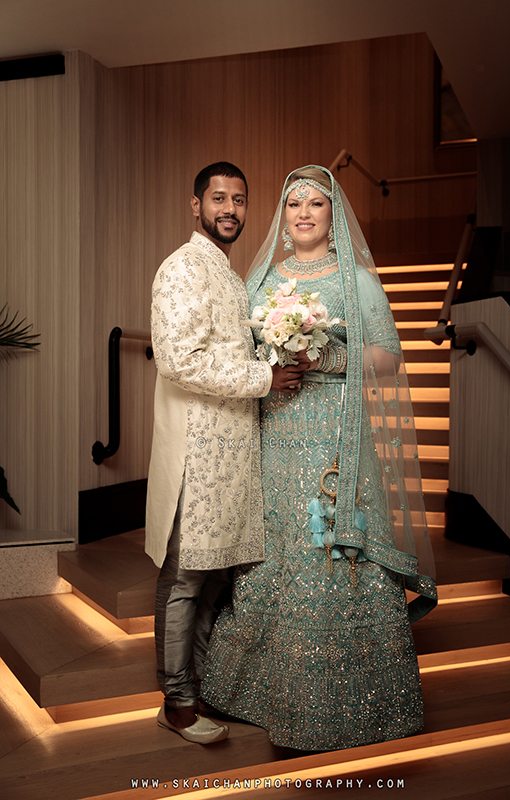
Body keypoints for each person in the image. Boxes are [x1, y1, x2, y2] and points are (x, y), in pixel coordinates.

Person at [201, 165, 438, 752]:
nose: (304, 212)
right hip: (276, 432)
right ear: (282, 217)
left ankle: (343, 702)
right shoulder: (260, 279)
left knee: (329, 548)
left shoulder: (355, 278)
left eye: (316, 204)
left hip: (336, 433)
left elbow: (387, 358)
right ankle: (266, 692)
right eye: (293, 204)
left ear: (334, 217)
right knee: (279, 546)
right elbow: (240, 351)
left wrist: (328, 355)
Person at [145, 162, 306, 744]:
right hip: (197, 449)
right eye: (219, 198)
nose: (230, 209)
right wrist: (265, 377)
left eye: (239, 199)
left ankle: (207, 686)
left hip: (234, 449)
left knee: (216, 577)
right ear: (196, 205)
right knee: (186, 576)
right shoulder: (183, 268)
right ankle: (176, 701)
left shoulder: (232, 277)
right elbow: (180, 361)